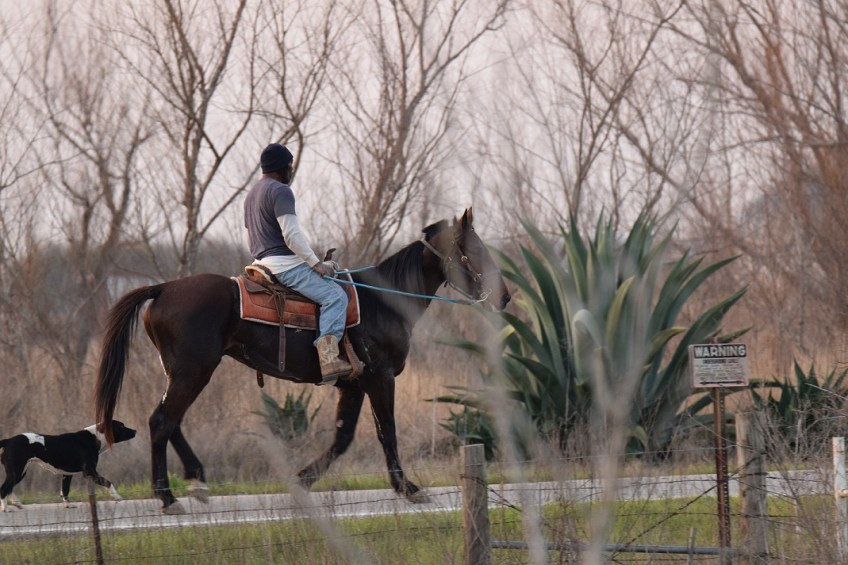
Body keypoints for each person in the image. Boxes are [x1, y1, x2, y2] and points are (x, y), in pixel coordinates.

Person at [244, 143, 352, 385]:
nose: (291, 171)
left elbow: (248, 237)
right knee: (336, 296)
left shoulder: (252, 194)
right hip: (284, 266)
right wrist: (316, 264)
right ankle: (328, 358)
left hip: (260, 263)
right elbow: (292, 236)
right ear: (282, 168)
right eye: (290, 166)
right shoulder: (281, 191)